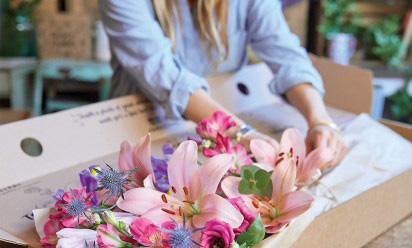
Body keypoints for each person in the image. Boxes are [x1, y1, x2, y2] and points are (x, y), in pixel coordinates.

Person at [99, 0, 348, 168]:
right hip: (140, 131)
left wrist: (320, 121)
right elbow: (165, 75)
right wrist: (240, 133)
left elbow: (287, 56)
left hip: (230, 125)